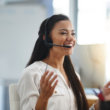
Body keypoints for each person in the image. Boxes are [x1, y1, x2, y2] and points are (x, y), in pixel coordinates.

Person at [17, 14, 110, 110]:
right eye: (63, 33)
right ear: (46, 38)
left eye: (73, 34)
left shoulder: (74, 76)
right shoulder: (32, 73)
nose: (70, 38)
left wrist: (101, 101)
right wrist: (43, 98)